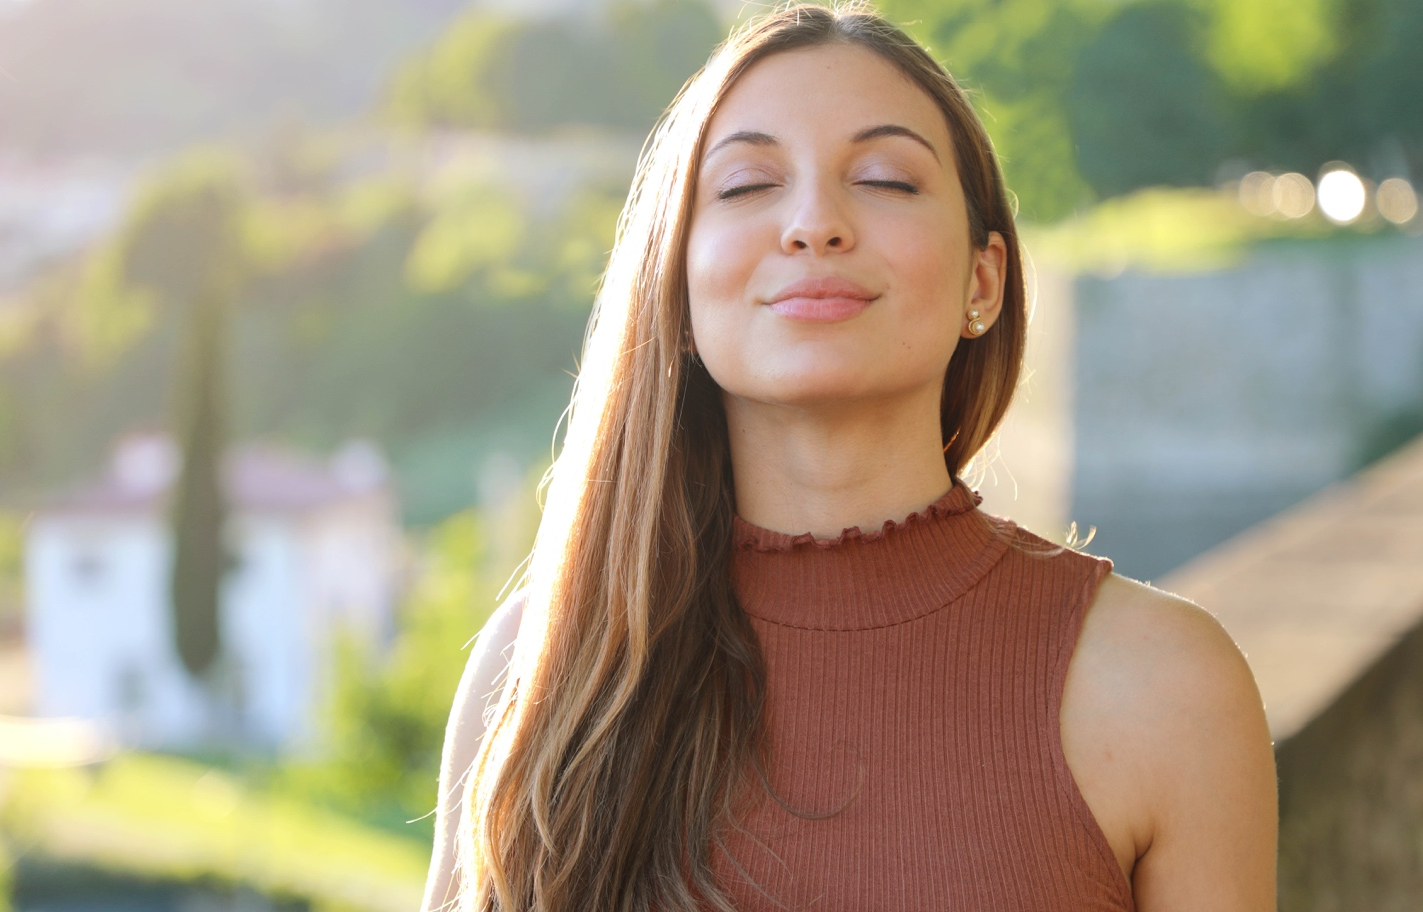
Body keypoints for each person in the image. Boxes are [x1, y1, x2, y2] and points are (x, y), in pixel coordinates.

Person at [421, 3, 1278, 910]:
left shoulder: (1168, 688)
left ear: (981, 282)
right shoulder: (544, 666)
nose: (814, 224)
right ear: (674, 284)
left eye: (884, 178)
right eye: (748, 184)